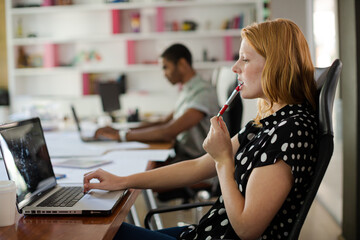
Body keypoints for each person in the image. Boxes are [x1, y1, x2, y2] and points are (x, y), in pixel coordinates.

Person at [83, 18, 319, 240]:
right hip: (204, 231)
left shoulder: (291, 130)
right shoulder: (266, 122)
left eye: (245, 60)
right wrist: (124, 181)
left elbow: (248, 229)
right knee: (106, 228)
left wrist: (223, 160)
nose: (235, 67)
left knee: (103, 231)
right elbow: (198, 165)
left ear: (275, 65)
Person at [95, 43, 219, 163]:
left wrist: (122, 136)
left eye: (165, 67)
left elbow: (169, 132)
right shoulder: (188, 90)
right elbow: (164, 122)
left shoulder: (203, 93)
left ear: (182, 64)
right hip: (183, 156)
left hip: (197, 163)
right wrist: (121, 130)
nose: (164, 74)